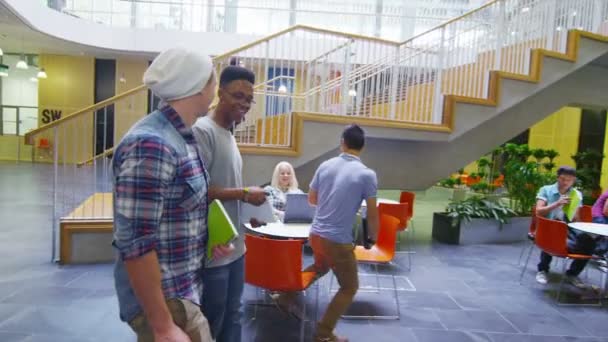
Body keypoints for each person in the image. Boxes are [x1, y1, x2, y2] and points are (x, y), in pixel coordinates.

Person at [112, 48, 222, 342]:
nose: (216, 88)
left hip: (180, 291)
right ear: (199, 86)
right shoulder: (153, 144)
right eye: (214, 80)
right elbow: (135, 242)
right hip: (167, 300)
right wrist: (162, 326)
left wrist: (207, 243)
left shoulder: (180, 137)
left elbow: (177, 211)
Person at [276, 124, 379, 342]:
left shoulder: (326, 165)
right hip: (337, 240)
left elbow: (312, 200)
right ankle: (323, 334)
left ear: (342, 142)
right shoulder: (367, 174)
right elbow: (372, 213)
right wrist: (372, 238)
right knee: (350, 287)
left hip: (316, 235)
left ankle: (285, 295)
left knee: (320, 266)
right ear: (363, 146)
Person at [192, 65, 266, 342]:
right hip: (215, 248)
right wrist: (245, 193)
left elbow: (225, 185)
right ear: (220, 93)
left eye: (249, 99)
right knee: (214, 319)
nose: (244, 104)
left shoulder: (229, 134)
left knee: (234, 314)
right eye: (238, 96)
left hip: (237, 246)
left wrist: (247, 212)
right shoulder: (203, 131)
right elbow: (201, 190)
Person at [535, 166, 596, 288]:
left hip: (568, 227)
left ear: (574, 180)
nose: (566, 182)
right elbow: (538, 211)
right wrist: (557, 204)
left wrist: (573, 211)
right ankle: (543, 270)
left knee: (589, 241)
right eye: (563, 179)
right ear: (557, 178)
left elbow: (576, 220)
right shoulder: (546, 190)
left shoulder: (576, 194)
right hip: (548, 225)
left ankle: (572, 273)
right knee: (554, 233)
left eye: (570, 180)